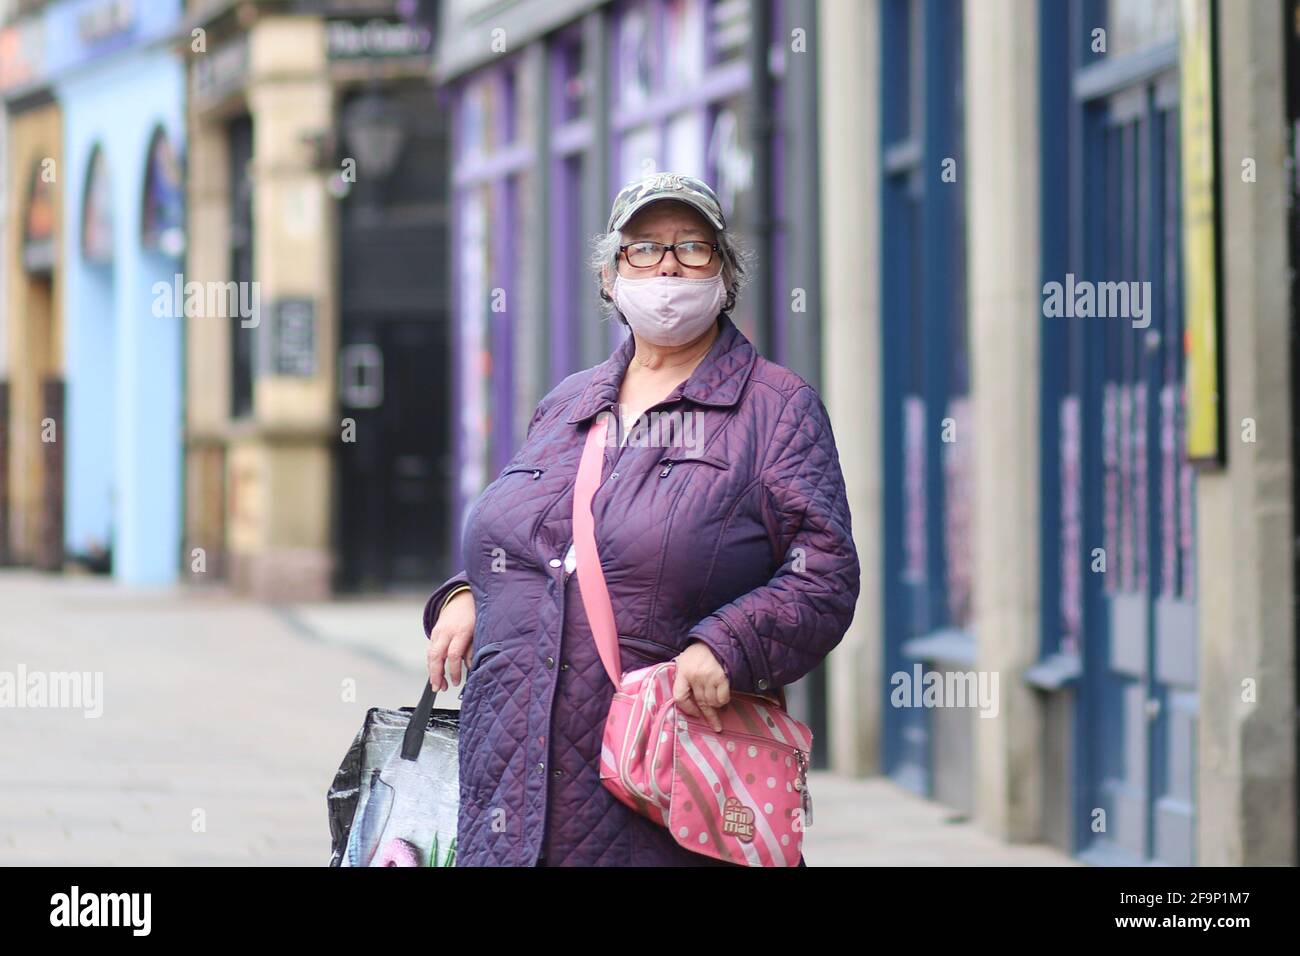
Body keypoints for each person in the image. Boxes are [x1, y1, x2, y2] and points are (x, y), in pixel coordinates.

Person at [423, 171, 859, 866]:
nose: (667, 267)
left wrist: (729, 643)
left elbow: (825, 574)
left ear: (725, 273)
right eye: (644, 249)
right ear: (609, 276)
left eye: (692, 248)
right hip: (509, 786)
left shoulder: (775, 409)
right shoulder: (569, 402)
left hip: (657, 794)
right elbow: (542, 538)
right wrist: (467, 592)